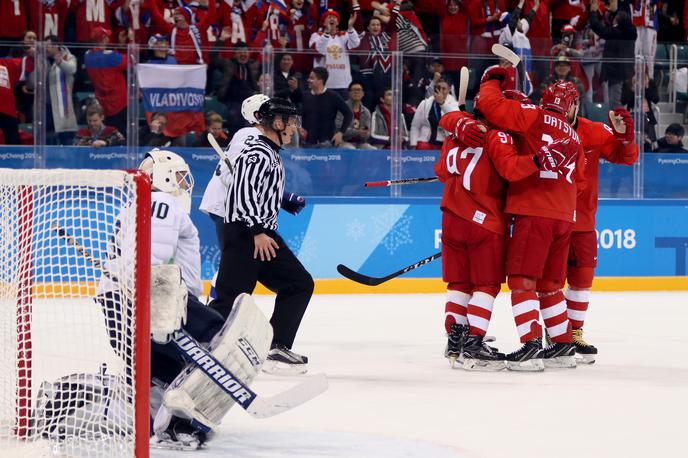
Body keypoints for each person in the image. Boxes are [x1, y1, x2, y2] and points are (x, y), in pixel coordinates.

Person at [95, 150, 270, 450]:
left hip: (122, 306)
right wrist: (159, 307)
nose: (183, 182)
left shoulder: (142, 203)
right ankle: (173, 418)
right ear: (162, 176)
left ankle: (168, 422)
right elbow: (148, 260)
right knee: (217, 333)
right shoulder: (161, 201)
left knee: (165, 371)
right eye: (178, 175)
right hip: (146, 300)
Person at [437, 90, 571, 371]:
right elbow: (510, 171)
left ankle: (456, 344)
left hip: (451, 215)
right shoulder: (499, 136)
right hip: (485, 219)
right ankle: (474, 345)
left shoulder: (456, 133)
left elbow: (441, 171)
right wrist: (536, 161)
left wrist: (457, 123)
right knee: (485, 285)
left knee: (459, 285)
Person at [477, 70, 586, 371]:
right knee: (551, 284)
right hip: (565, 215)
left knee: (523, 281)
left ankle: (531, 345)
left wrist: (493, 80)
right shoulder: (575, 135)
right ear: (571, 106)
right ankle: (563, 346)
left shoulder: (532, 116)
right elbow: (581, 181)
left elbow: (491, 106)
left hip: (535, 211)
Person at [209, 98, 314, 374]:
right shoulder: (257, 152)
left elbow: (254, 189)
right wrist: (257, 231)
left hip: (259, 234)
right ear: (276, 122)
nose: (293, 127)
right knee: (230, 299)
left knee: (298, 284)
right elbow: (240, 194)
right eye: (290, 122)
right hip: (248, 235)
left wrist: (279, 200)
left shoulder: (269, 152)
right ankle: (204, 349)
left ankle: (276, 347)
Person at [563, 82, 639, 363]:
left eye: (570, 100)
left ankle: (574, 334)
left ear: (577, 103)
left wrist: (625, 137)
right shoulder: (541, 128)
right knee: (550, 282)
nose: (565, 105)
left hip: (582, 222)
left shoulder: (593, 130)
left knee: (582, 281)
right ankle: (556, 334)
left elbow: (627, 158)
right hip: (551, 219)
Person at [588, 0, 637, 109]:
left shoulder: (622, 32)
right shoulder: (628, 31)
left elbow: (600, 30)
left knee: (616, 108)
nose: (612, 24)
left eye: (614, 21)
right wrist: (615, 11)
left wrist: (593, 12)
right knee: (615, 106)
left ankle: (617, 126)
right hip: (621, 74)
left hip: (618, 75)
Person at [308, 7, 361, 100]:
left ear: (338, 22)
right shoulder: (316, 36)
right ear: (324, 23)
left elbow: (355, 45)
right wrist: (326, 33)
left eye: (334, 17)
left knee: (342, 113)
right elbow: (318, 52)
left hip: (343, 84)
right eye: (329, 17)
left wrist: (350, 27)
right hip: (323, 84)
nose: (332, 18)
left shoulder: (344, 35)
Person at [84, 27, 128, 136]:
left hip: (103, 103)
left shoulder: (87, 56)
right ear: (103, 40)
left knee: (105, 135)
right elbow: (131, 60)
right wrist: (128, 43)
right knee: (120, 137)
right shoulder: (110, 57)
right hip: (118, 103)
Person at [298, 67, 353, 147]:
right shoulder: (305, 95)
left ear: (320, 81)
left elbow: (348, 114)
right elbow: (299, 113)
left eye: (312, 78)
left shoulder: (333, 96)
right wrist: (299, 127)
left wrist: (340, 133)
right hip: (308, 143)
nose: (308, 80)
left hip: (327, 143)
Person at [44, 35, 78, 145]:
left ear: (56, 46)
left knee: (66, 145)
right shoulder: (42, 59)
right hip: (46, 108)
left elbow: (71, 69)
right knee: (48, 146)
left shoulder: (68, 57)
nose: (45, 48)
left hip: (63, 109)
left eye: (47, 46)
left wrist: (60, 62)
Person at [410, 79, 459, 150]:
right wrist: (413, 144)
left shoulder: (455, 105)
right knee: (422, 146)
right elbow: (415, 125)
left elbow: (454, 120)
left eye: (444, 89)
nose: (441, 91)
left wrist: (442, 103)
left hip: (446, 141)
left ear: (449, 90)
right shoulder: (424, 103)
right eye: (438, 87)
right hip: (426, 141)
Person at [336, 82, 376, 150]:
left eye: (359, 90)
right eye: (354, 90)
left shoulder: (366, 112)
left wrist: (365, 134)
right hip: (343, 141)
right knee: (351, 149)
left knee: (372, 150)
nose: (356, 92)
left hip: (360, 143)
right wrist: (357, 132)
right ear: (349, 93)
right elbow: (339, 128)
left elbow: (368, 133)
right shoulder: (342, 108)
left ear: (363, 94)